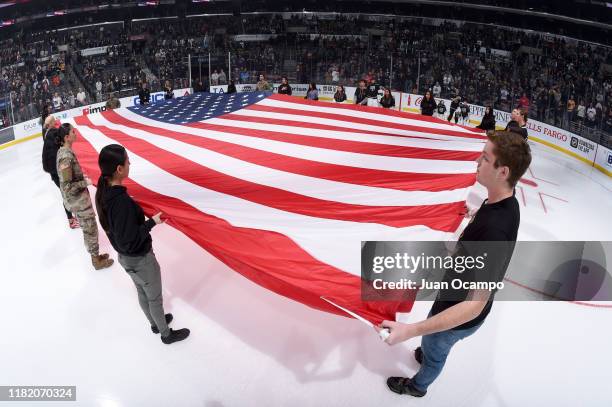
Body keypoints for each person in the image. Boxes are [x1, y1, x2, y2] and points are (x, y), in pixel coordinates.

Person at [382, 131, 532, 398]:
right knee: (433, 340)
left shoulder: (495, 231)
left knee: (435, 344)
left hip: (459, 314)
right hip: (452, 295)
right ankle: (430, 349)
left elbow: (475, 304)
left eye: (485, 158)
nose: (477, 161)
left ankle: (419, 385)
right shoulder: (503, 201)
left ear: (503, 171)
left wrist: (410, 330)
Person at [95, 144, 190, 344]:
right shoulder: (120, 202)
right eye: (128, 161)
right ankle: (166, 334)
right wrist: (151, 223)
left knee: (142, 292)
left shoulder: (105, 192)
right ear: (119, 169)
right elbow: (129, 239)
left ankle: (155, 323)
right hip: (139, 259)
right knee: (154, 297)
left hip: (126, 258)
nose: (130, 163)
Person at [56, 123, 113, 270]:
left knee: (90, 227)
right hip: (78, 202)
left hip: (80, 200)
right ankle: (96, 261)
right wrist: (84, 182)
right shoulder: (65, 156)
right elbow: (67, 187)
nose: (76, 133)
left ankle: (96, 255)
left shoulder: (66, 152)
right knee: (90, 229)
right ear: (67, 137)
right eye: (73, 132)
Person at [42, 117, 78, 229]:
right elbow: (63, 133)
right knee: (66, 193)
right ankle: (71, 219)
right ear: (51, 123)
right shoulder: (52, 133)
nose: (57, 121)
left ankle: (73, 216)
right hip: (55, 170)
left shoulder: (46, 132)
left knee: (66, 192)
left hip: (53, 169)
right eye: (54, 120)